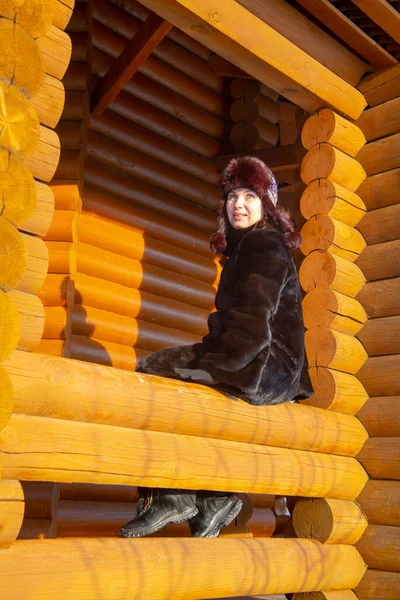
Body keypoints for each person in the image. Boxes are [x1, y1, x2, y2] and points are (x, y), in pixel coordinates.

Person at [120, 156, 313, 539]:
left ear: (266, 206)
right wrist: (206, 357)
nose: (238, 204)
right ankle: (203, 495)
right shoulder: (245, 248)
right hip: (259, 356)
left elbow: (254, 319)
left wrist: (214, 368)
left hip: (268, 362)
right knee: (164, 366)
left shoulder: (263, 244)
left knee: (161, 373)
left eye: (249, 196)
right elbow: (228, 326)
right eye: (232, 196)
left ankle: (183, 493)